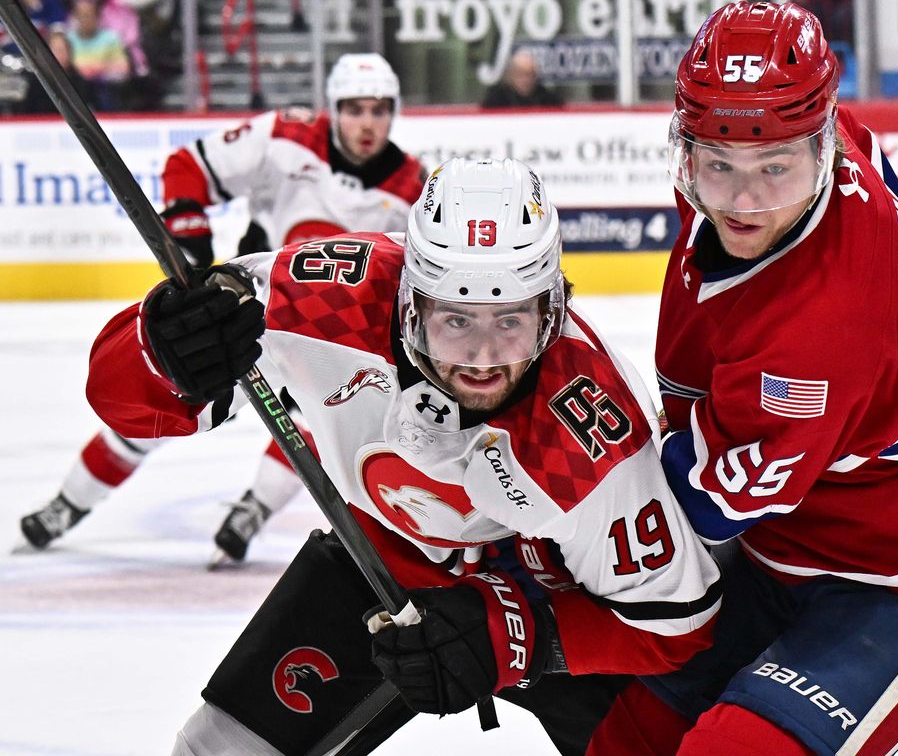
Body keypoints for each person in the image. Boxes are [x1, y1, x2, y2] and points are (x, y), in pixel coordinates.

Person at [84, 156, 723, 755]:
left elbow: (673, 624)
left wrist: (510, 638)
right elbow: (128, 401)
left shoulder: (590, 433)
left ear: (553, 309)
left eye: (511, 321)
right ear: (410, 301)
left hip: (546, 594)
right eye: (456, 320)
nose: (482, 357)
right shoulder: (331, 300)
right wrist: (163, 351)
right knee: (220, 749)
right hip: (376, 564)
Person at [586, 1, 898, 756]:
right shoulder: (828, 145)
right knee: (619, 735)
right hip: (818, 511)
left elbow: (707, 504)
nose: (741, 201)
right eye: (716, 165)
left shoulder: (815, 340)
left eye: (773, 170)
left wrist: (552, 508)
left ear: (818, 147)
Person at [19, 53, 427, 566]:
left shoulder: (413, 188)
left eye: (378, 109)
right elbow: (189, 167)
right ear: (332, 107)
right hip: (240, 311)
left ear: (394, 112)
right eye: (354, 108)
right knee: (172, 398)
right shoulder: (285, 136)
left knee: (322, 426)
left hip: (324, 341)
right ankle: (68, 504)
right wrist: (191, 232)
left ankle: (253, 509)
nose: (366, 123)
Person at [481, 48, 564, 109]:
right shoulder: (496, 99)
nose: (526, 80)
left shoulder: (547, 99)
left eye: (530, 74)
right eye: (520, 74)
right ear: (511, 75)